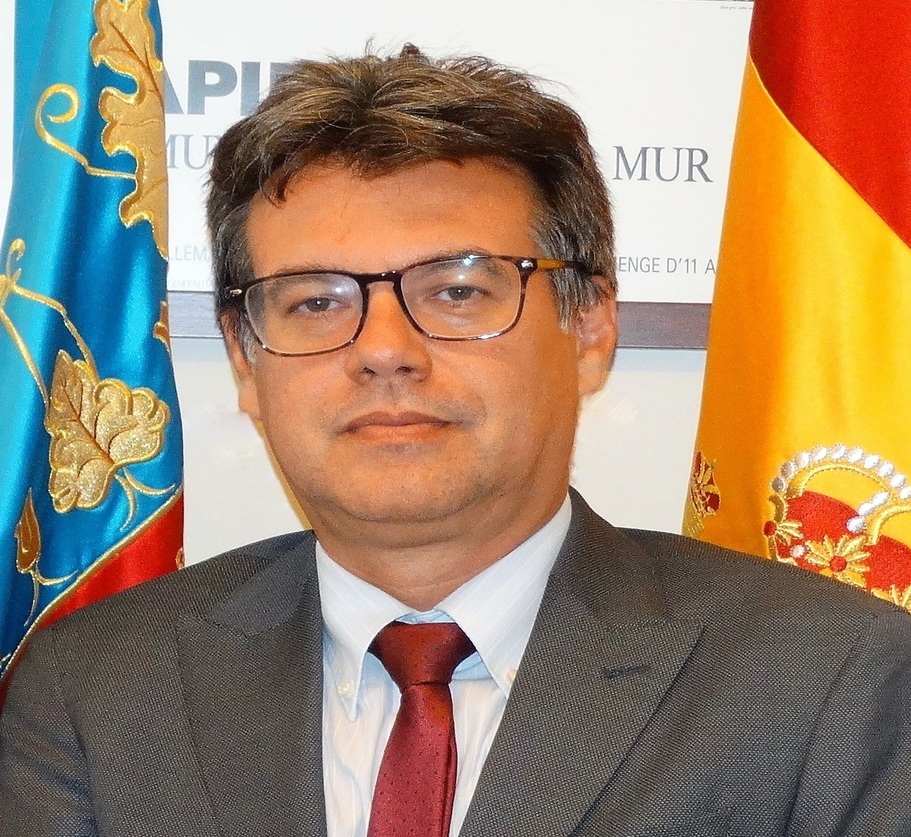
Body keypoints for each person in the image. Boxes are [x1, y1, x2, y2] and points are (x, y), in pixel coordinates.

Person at [2, 45, 911, 837]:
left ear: (590, 327)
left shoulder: (831, 681)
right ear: (244, 358)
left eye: (457, 290)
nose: (383, 350)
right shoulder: (99, 690)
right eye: (315, 301)